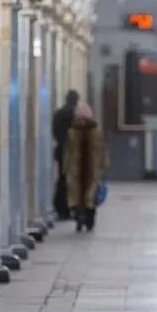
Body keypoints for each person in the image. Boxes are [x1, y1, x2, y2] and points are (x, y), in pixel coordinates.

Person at [64, 101, 108, 231]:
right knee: (89, 196)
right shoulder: (96, 130)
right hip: (89, 168)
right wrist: (104, 165)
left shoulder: (73, 131)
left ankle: (81, 218)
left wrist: (66, 168)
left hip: (78, 168)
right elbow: (102, 149)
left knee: (81, 196)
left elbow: (68, 151)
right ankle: (88, 219)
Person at [53, 90, 80, 220]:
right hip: (73, 153)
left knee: (62, 180)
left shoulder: (58, 114)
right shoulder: (75, 115)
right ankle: (71, 207)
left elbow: (55, 132)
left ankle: (61, 208)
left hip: (62, 152)